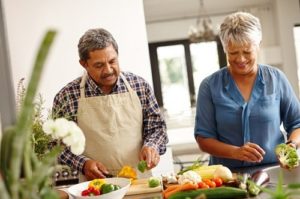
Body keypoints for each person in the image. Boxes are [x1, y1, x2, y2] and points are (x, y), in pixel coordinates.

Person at [52, 28, 168, 180]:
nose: (108, 70)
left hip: (139, 179)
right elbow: (57, 145)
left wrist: (152, 146)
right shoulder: (66, 96)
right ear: (84, 64)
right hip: (95, 185)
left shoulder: (140, 86)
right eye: (99, 65)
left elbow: (157, 129)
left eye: (112, 61)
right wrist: (83, 164)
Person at [194, 12, 300, 169]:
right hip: (226, 177)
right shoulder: (209, 86)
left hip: (273, 172)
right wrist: (235, 152)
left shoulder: (276, 79)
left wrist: (291, 145)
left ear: (258, 45)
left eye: (247, 51)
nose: (241, 59)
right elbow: (204, 138)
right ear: (224, 49)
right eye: (233, 53)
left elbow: (297, 123)